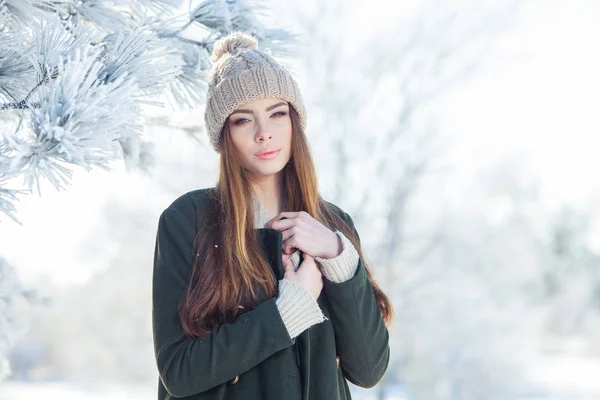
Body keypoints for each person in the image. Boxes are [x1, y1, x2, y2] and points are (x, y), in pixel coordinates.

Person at [151, 31, 393, 400]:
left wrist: (338, 258)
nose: (264, 133)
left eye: (277, 113)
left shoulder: (334, 227)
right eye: (243, 120)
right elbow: (179, 373)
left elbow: (368, 369)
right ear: (224, 135)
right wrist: (289, 309)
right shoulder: (189, 219)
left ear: (295, 121)